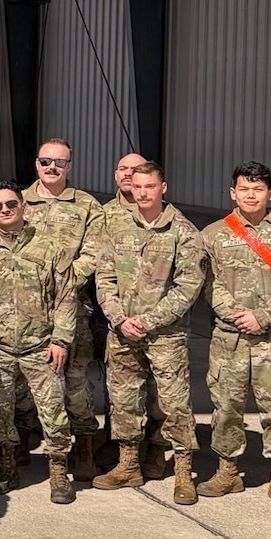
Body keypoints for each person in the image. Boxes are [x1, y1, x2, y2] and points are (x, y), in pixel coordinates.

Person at [196, 161, 271, 510]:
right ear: (233, 193)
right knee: (226, 407)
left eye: (258, 189)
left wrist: (263, 318)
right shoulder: (213, 235)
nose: (251, 195)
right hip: (229, 338)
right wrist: (238, 316)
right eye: (244, 189)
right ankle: (227, 470)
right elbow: (207, 283)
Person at [92, 161, 205, 502]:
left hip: (165, 335)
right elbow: (104, 277)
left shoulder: (183, 232)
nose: (142, 193)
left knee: (174, 405)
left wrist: (149, 321)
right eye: (137, 187)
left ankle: (183, 472)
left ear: (163, 188)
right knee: (124, 400)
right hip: (123, 331)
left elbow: (188, 287)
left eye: (149, 187)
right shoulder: (118, 228)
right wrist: (118, 317)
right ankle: (129, 465)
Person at [0, 183, 78, 501]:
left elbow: (65, 297)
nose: (5, 210)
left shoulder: (50, 249)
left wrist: (61, 340)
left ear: (24, 205)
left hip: (41, 346)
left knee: (53, 412)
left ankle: (58, 474)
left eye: (11, 204)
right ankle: (7, 468)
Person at [22, 139, 104, 473]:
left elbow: (94, 252)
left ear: (69, 166)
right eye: (45, 161)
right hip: (26, 308)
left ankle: (83, 444)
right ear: (36, 164)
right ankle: (23, 438)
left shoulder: (87, 206)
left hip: (72, 304)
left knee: (75, 379)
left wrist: (65, 281)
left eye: (59, 162)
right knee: (24, 380)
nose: (51, 168)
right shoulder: (18, 202)